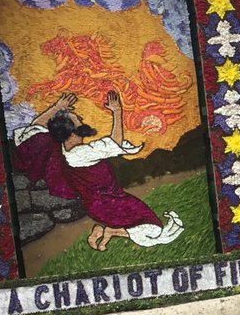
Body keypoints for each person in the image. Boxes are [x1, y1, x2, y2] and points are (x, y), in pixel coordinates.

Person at [14, 91, 183, 250]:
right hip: (110, 203)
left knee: (149, 224)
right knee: (153, 230)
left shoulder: (61, 151)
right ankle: (110, 231)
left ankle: (107, 231)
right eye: (77, 120)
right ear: (70, 133)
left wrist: (57, 107)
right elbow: (115, 142)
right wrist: (117, 111)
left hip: (100, 204)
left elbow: (35, 128)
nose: (81, 120)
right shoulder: (82, 154)